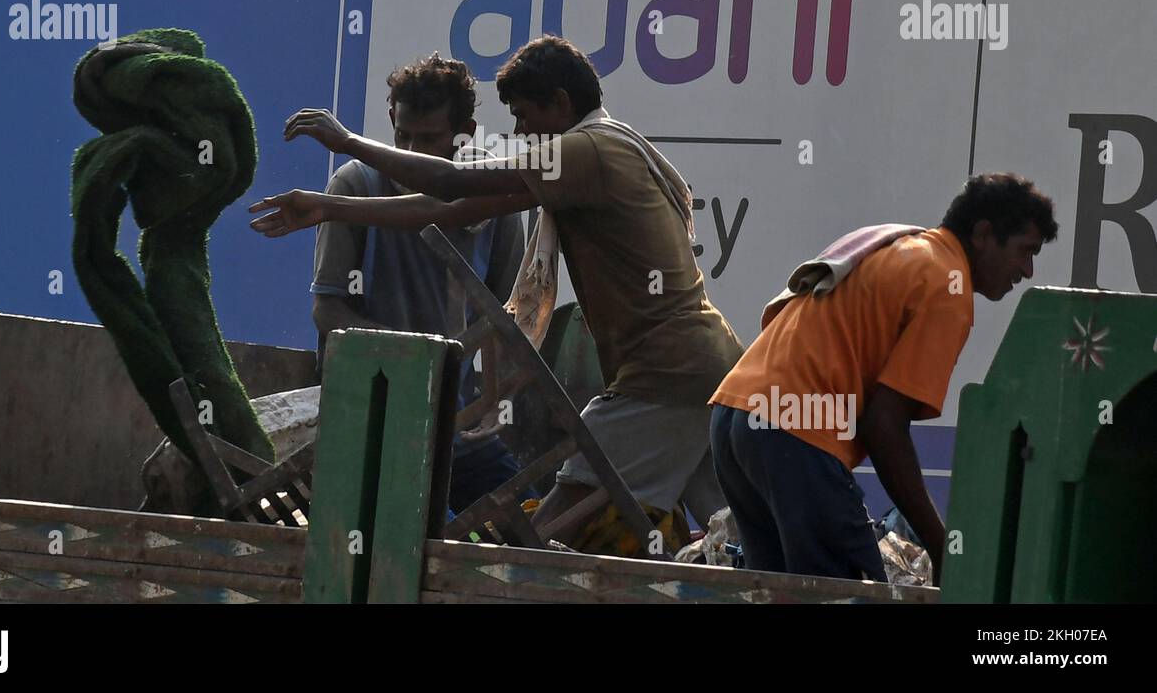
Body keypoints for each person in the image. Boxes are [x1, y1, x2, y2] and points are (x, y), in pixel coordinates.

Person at [252, 36, 745, 543]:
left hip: (665, 374)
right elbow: (448, 211)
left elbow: (448, 186)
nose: (519, 130)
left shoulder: (585, 151)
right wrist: (329, 208)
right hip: (709, 367)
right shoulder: (603, 148)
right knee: (732, 540)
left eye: (525, 114)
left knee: (539, 540)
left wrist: (348, 141)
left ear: (560, 103)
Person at [708, 173, 1057, 582]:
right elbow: (884, 427)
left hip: (735, 418)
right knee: (850, 594)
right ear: (983, 234)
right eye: (1024, 251)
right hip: (793, 432)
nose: (1028, 270)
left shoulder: (891, 242)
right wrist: (941, 547)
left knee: (780, 591)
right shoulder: (948, 285)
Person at [296, 53, 527, 514]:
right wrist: (413, 364)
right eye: (403, 135)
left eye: (428, 140)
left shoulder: (492, 194)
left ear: (463, 131)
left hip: (455, 424)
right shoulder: (355, 185)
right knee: (418, 532)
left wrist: (493, 398)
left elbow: (506, 315)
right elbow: (328, 309)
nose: (411, 150)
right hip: (372, 419)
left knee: (530, 521)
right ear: (390, 121)